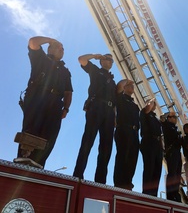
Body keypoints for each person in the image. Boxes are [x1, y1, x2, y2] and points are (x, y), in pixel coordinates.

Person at [17, 36, 73, 168]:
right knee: (31, 129)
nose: (62, 49)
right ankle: (23, 159)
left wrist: (65, 108)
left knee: (50, 133)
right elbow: (33, 42)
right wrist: (51, 40)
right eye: (59, 47)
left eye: (63, 49)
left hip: (56, 102)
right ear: (50, 48)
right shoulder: (40, 58)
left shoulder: (65, 71)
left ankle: (38, 163)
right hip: (37, 97)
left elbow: (68, 92)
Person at [73, 53, 116, 184]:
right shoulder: (95, 71)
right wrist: (95, 56)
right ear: (102, 61)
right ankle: (78, 175)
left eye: (111, 60)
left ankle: (100, 180)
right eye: (108, 59)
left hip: (109, 113)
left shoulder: (112, 81)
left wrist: (114, 117)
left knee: (106, 146)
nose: (110, 62)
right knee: (88, 141)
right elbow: (81, 59)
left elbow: (114, 101)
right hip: (96, 107)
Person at [113, 79, 140, 190]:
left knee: (132, 159)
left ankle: (128, 182)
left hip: (134, 133)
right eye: (129, 85)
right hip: (123, 130)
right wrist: (126, 80)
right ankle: (119, 183)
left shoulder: (135, 105)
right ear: (124, 87)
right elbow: (118, 87)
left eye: (133, 86)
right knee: (122, 157)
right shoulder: (120, 99)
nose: (132, 87)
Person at [140, 98, 163, 196]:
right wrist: (151, 100)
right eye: (153, 103)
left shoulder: (156, 118)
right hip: (148, 142)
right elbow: (147, 108)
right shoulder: (144, 112)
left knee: (157, 170)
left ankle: (154, 195)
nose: (154, 104)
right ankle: (146, 193)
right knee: (149, 168)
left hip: (157, 145)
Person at [161, 112, 182, 202]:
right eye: (173, 117)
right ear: (169, 118)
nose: (176, 119)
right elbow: (162, 117)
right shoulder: (166, 125)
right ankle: (170, 195)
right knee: (172, 173)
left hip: (177, 152)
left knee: (177, 174)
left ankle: (175, 194)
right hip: (172, 152)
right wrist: (168, 113)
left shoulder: (175, 129)